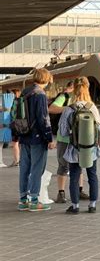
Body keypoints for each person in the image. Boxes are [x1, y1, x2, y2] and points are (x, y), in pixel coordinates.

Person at [58, 77, 100, 214]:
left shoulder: (69, 109)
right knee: (92, 175)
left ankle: (75, 206)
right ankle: (93, 205)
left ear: (74, 91)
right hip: (91, 148)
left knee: (74, 176)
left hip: (74, 149)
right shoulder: (92, 107)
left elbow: (63, 131)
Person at [17, 68, 55, 211]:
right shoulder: (40, 95)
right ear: (47, 78)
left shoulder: (25, 92)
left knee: (24, 168)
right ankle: (34, 200)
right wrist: (49, 138)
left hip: (24, 134)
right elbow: (43, 119)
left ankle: (23, 200)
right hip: (37, 138)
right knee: (37, 168)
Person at [49, 81, 89, 203]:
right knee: (63, 165)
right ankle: (61, 193)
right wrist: (69, 108)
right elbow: (51, 108)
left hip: (80, 138)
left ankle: (79, 190)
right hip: (64, 138)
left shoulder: (85, 99)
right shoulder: (65, 97)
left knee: (79, 164)